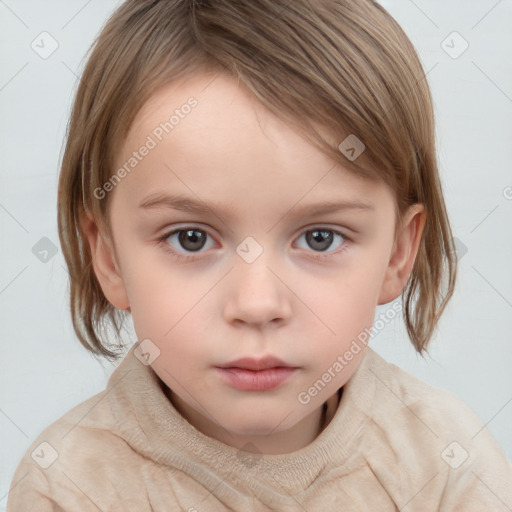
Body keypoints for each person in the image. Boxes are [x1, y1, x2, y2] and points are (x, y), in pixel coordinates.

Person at [7, 0, 512, 510]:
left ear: (398, 254)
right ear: (109, 257)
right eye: (191, 239)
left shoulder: (447, 464)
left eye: (320, 238)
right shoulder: (70, 484)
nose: (256, 304)